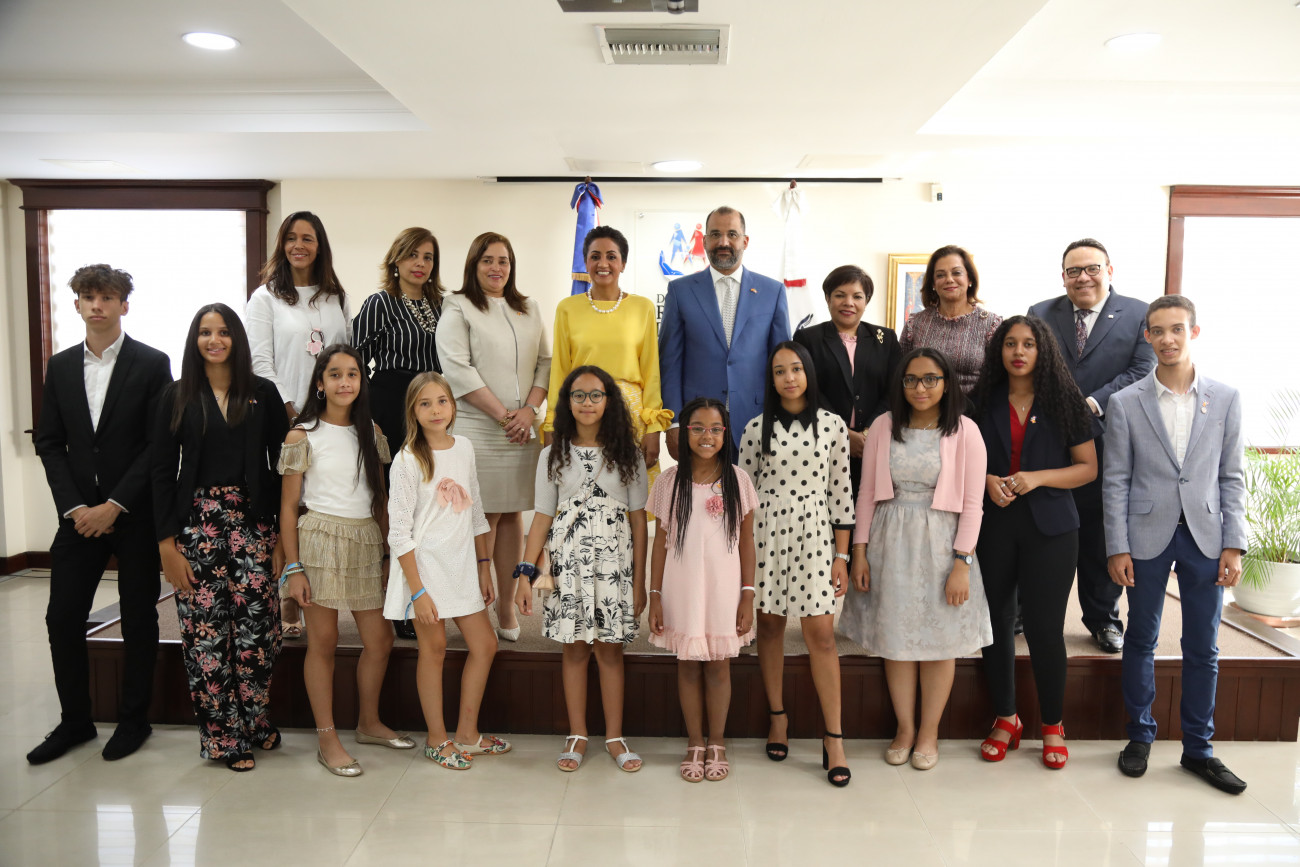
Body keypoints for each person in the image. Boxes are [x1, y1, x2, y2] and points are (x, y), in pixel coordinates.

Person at [1104, 295, 1247, 794]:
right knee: (1140, 638)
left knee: (1203, 646)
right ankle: (1139, 736)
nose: (1167, 339)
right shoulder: (1126, 402)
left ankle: (1198, 749)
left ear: (1194, 332)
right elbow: (1115, 480)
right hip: (1145, 535)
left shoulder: (1226, 398)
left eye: (1177, 329)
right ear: (1147, 336)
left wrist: (1235, 543)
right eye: (1158, 331)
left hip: (1207, 536)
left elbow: (1232, 476)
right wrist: (1117, 546)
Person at [30, 264, 172, 765]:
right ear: (76, 305)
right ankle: (75, 721)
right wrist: (76, 508)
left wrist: (114, 505)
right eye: (88, 297)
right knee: (62, 617)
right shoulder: (60, 366)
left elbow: (158, 444)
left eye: (107, 297)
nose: (97, 305)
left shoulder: (152, 363)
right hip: (78, 518)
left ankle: (134, 719)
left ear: (123, 305)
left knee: (138, 617)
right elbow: (50, 442)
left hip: (132, 514)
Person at [151, 304, 289, 772]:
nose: (215, 340)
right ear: (194, 340)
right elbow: (160, 471)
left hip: (255, 524)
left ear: (237, 339)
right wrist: (166, 545)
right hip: (197, 528)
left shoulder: (263, 393)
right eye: (205, 332)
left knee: (259, 633)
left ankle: (255, 721)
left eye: (224, 331)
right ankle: (223, 737)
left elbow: (283, 466)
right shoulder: (175, 396)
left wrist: (282, 540)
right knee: (206, 635)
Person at [843, 348, 990, 771]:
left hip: (943, 544)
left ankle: (929, 731)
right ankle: (905, 728)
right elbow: (865, 494)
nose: (920, 388)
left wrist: (962, 562)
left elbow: (973, 503)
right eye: (911, 379)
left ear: (946, 383)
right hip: (890, 540)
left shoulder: (965, 430)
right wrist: (859, 553)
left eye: (930, 379)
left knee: (939, 642)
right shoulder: (884, 426)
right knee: (897, 639)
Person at [277, 345, 415, 777]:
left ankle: (368, 722)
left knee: (381, 639)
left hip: (365, 540)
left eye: (352, 374)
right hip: (319, 539)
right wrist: (293, 567)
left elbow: (381, 499)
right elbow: (288, 508)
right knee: (324, 641)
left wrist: (389, 552)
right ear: (320, 383)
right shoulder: (302, 434)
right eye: (334, 374)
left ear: (361, 382)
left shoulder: (371, 430)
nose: (344, 382)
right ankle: (326, 737)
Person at [970, 316, 1097, 769]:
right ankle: (1006, 718)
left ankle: (1052, 725)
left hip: (1053, 529)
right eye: (1010, 344)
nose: (1018, 352)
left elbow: (1087, 468)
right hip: (994, 524)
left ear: (1042, 350)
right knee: (996, 622)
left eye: (1028, 344)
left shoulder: (1065, 400)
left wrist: (1038, 478)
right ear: (998, 351)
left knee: (1044, 628)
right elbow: (962, 460)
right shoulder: (979, 401)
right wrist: (986, 480)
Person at [514, 365, 649, 774]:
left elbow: (639, 522)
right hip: (568, 565)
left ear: (609, 401)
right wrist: (525, 575)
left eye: (595, 395)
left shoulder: (629, 454)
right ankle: (577, 734)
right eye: (578, 395)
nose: (587, 402)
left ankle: (614, 735)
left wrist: (640, 582)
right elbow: (542, 517)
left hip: (614, 567)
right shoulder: (551, 455)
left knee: (610, 651)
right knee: (573, 649)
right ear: (567, 402)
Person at [1029, 238, 1155, 654]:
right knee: (1040, 528)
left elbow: (1143, 369)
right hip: (1050, 442)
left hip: (1109, 440)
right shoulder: (1040, 313)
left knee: (1101, 534)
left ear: (1109, 270)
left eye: (1092, 268)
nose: (1083, 277)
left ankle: (1103, 618)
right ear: (1063, 276)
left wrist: (1092, 403)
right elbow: (1030, 367)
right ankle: (1027, 612)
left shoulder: (1139, 314)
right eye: (1073, 270)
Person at [739, 342, 854, 787]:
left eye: (796, 369)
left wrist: (842, 556)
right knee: (769, 627)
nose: (789, 378)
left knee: (820, 634)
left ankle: (834, 737)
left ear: (808, 373)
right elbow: (744, 497)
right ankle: (778, 717)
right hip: (766, 533)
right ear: (771, 379)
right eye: (779, 371)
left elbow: (840, 494)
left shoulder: (832, 426)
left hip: (815, 534)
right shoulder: (755, 429)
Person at [383, 372, 510, 769]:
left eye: (442, 401)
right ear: (413, 411)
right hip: (425, 568)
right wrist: (417, 592)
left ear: (453, 406)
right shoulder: (407, 460)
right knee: (433, 649)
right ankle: (437, 739)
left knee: (485, 644)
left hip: (462, 563)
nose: (435, 410)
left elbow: (476, 511)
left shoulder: (464, 447)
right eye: (425, 403)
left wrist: (484, 566)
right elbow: (399, 533)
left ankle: (467, 734)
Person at [437, 232, 551, 643]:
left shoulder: (529, 307)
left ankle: (505, 606)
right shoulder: (458, 305)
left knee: (512, 515)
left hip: (522, 429)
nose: (496, 267)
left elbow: (545, 362)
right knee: (482, 517)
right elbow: (456, 367)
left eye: (503, 260)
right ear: (474, 264)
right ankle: (472, 606)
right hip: (478, 428)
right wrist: (505, 417)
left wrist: (529, 411)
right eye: (487, 260)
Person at [246, 211, 350, 640]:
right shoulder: (265, 298)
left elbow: (345, 354)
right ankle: (288, 589)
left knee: (321, 502)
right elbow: (260, 362)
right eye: (291, 238)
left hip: (333, 417)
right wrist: (292, 413)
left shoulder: (335, 296)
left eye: (308, 238)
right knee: (291, 502)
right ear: (282, 245)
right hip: (284, 418)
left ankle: (321, 587)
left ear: (320, 245)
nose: (299, 245)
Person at [648, 398, 758, 783]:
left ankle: (717, 741)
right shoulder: (668, 481)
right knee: (688, 665)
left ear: (725, 434)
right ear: (684, 433)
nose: (706, 436)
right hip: (682, 587)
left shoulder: (737, 480)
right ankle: (695, 741)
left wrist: (748, 593)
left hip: (723, 589)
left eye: (714, 429)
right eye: (697, 428)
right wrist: (654, 595)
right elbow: (660, 543)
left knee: (718, 664)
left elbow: (747, 542)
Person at [354, 226, 445, 640]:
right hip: (391, 405)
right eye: (412, 255)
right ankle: (399, 604)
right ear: (396, 259)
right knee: (397, 505)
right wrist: (365, 417)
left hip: (432, 409)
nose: (420, 264)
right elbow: (355, 361)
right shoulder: (380, 303)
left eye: (427, 257)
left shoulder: (441, 305)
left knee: (427, 502)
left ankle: (427, 593)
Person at [660, 206, 790, 458]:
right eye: (715, 234)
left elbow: (781, 362)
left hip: (758, 421)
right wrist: (673, 422)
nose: (723, 242)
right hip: (698, 423)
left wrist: (783, 416)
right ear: (704, 240)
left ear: (745, 241)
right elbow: (670, 362)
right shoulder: (680, 291)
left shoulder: (772, 292)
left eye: (732, 234)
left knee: (749, 486)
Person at [545, 226, 669, 480]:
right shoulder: (567, 308)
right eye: (595, 256)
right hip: (583, 414)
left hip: (632, 417)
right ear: (586, 262)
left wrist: (653, 427)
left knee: (633, 494)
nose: (603, 264)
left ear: (623, 264)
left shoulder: (642, 307)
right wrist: (551, 423)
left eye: (611, 256)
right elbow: (559, 370)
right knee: (586, 492)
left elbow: (651, 372)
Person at [794, 264, 901, 498]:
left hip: (875, 444)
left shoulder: (886, 339)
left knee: (869, 508)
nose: (848, 303)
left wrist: (867, 433)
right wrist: (842, 433)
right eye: (840, 295)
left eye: (857, 296)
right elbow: (809, 391)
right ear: (827, 298)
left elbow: (894, 391)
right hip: (822, 443)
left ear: (867, 300)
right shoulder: (807, 338)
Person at [899, 245, 1001, 398]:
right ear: (933, 284)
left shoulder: (991, 324)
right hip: (923, 409)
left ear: (970, 279)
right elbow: (901, 374)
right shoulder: (915, 323)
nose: (949, 279)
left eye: (956, 273)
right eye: (940, 275)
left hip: (975, 409)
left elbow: (998, 380)